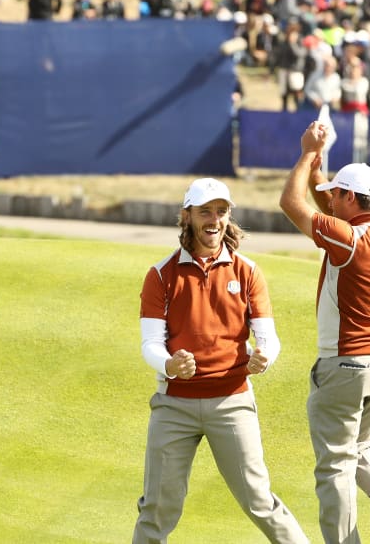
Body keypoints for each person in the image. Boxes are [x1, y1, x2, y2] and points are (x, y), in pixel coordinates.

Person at [133, 178, 309, 544]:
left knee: (260, 501)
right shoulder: (161, 274)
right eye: (205, 212)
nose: (213, 220)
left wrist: (265, 357)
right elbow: (150, 343)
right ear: (187, 216)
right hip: (174, 405)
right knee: (157, 509)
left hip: (232, 400)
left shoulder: (247, 271)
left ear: (228, 217)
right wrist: (170, 365)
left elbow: (268, 338)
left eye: (221, 212)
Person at [278, 123, 370, 544]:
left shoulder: (346, 239)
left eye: (338, 194)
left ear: (350, 199)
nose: (330, 198)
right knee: (358, 449)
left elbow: (291, 203)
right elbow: (329, 201)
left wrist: (307, 154)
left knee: (335, 465)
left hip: (346, 364)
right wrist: (323, 169)